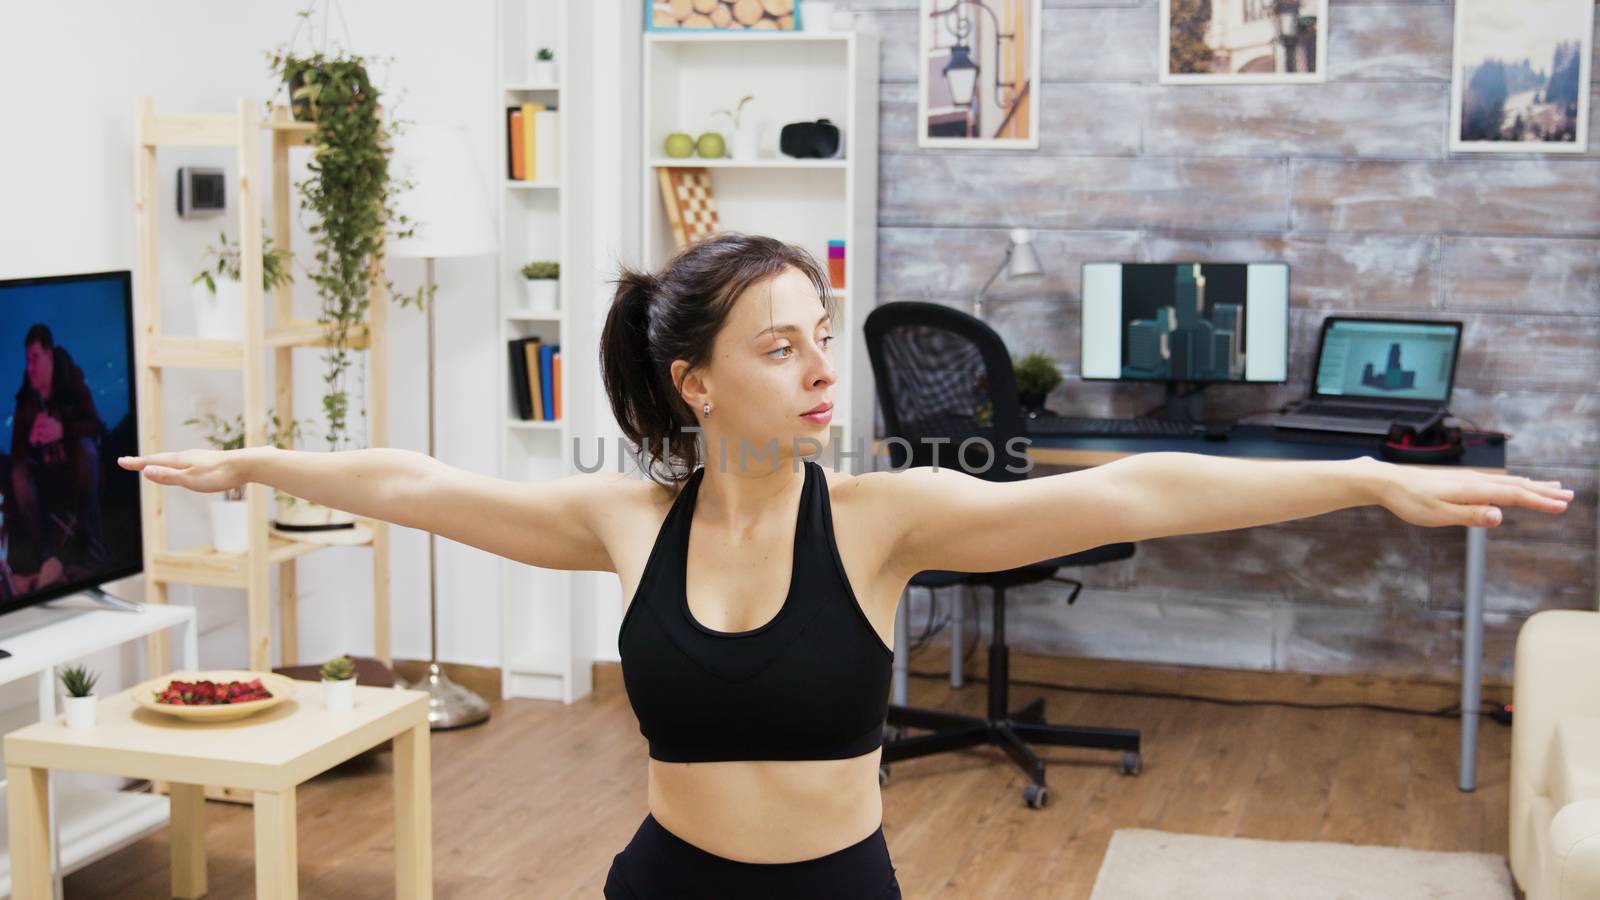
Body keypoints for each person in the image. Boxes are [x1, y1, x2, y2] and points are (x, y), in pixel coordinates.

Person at [116, 232, 1573, 899]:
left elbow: (1138, 484)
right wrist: (251, 465)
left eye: (827, 334)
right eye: (780, 345)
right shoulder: (624, 525)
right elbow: (416, 484)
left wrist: (1369, 478)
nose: (823, 368)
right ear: (694, 384)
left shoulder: (889, 518)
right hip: (664, 886)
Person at [10, 323, 107, 583]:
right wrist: (31, 440)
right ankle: (47, 558)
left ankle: (88, 548)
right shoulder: (25, 398)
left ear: (49, 356)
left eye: (35, 359)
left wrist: (61, 430)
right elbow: (16, 453)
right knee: (18, 473)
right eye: (27, 360)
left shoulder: (70, 379)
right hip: (45, 484)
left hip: (75, 475)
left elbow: (96, 425)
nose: (30, 367)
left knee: (88, 449)